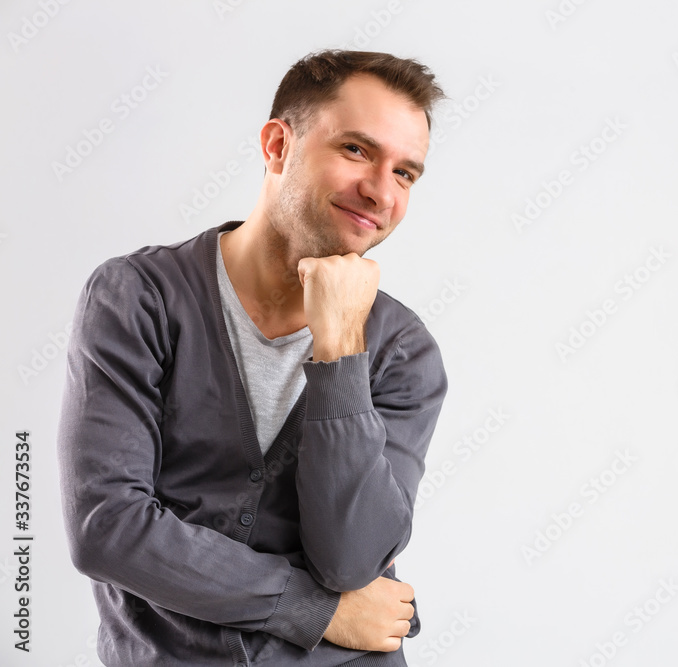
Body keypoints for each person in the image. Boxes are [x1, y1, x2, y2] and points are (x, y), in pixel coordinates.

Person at [56, 49, 449, 666]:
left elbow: (351, 561)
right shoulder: (139, 299)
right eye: (355, 150)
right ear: (277, 146)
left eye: (405, 174)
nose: (380, 192)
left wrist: (341, 349)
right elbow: (107, 529)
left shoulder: (403, 351)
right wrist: (316, 609)